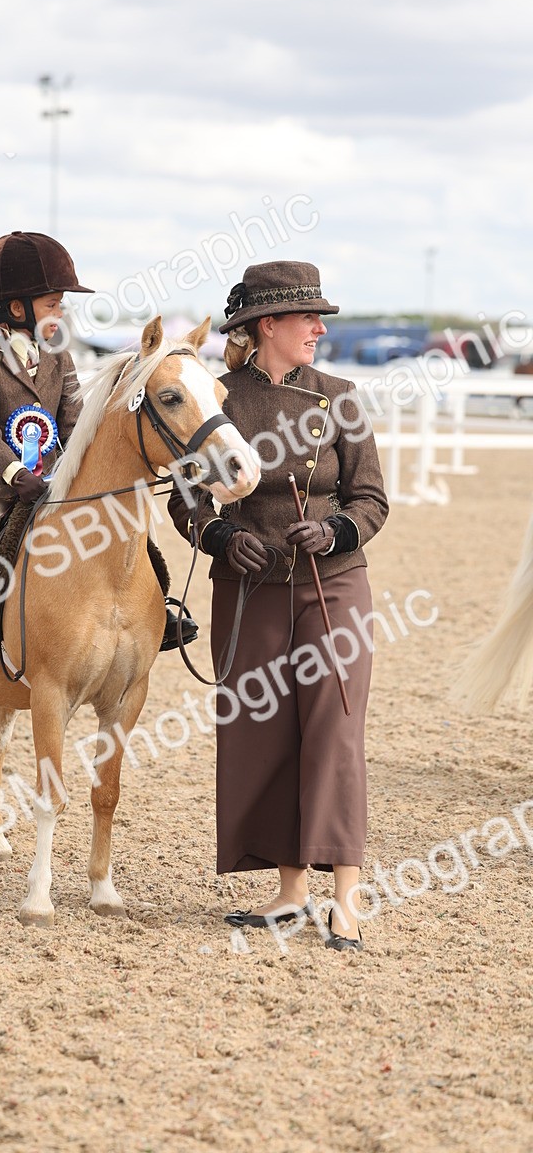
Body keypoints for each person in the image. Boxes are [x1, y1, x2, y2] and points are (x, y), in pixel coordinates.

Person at [168, 261, 389, 951]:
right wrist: (223, 536)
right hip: (248, 590)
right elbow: (187, 499)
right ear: (269, 326)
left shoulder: (342, 397)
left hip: (334, 586)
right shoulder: (220, 398)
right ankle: (290, 893)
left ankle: (345, 898)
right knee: (264, 733)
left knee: (333, 730)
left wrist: (336, 529)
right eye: (308, 319)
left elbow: (372, 499)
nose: (320, 330)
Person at [0, 230, 197, 680]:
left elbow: (72, 420)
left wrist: (81, 467)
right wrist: (15, 473)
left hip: (53, 480)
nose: (61, 311)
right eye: (52, 303)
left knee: (123, 522)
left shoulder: (59, 356)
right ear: (17, 308)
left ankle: (156, 608)